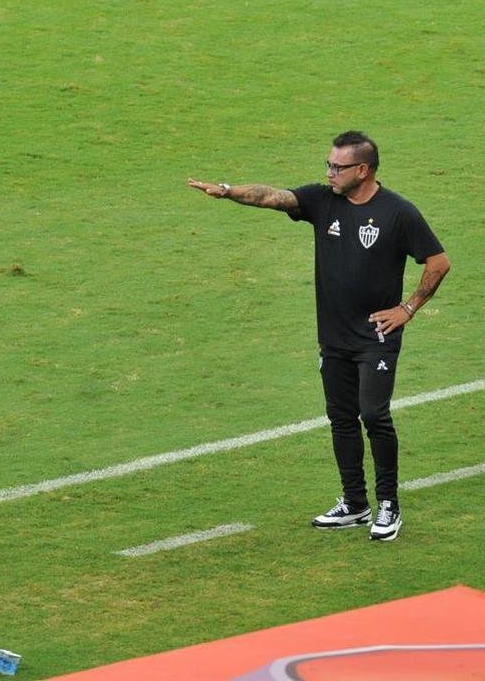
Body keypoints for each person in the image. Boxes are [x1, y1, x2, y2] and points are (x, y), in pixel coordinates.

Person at [188, 131, 450, 542]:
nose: (329, 172)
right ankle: (354, 502)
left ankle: (388, 505)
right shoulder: (322, 200)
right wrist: (225, 191)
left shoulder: (398, 213)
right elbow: (273, 197)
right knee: (341, 417)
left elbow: (438, 261)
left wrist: (408, 308)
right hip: (332, 337)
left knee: (374, 415)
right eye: (328, 164)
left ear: (362, 170)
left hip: (375, 336)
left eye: (337, 166)